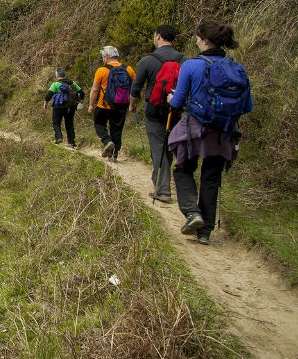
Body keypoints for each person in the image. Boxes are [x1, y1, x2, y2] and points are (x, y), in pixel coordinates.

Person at [167, 21, 253, 246]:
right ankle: (205, 232)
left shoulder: (191, 65)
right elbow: (247, 106)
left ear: (205, 40)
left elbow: (177, 102)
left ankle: (192, 212)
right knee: (211, 179)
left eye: (197, 37)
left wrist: (170, 98)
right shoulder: (237, 68)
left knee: (183, 169)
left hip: (194, 129)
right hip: (223, 132)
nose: (195, 40)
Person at [129, 25, 185, 203]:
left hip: (154, 109)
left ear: (158, 36)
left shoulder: (147, 60)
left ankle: (163, 190)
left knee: (158, 146)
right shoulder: (184, 60)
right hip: (175, 109)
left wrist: (132, 105)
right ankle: (184, 188)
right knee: (172, 145)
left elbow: (136, 88)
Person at [87, 46, 136, 161]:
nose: (103, 59)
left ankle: (107, 141)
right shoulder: (128, 69)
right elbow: (135, 87)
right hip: (121, 105)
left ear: (107, 57)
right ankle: (114, 155)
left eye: (103, 57)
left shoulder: (101, 70)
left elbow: (94, 90)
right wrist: (132, 103)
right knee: (117, 129)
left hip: (104, 105)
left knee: (99, 124)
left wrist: (91, 105)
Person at [43, 68, 83, 147]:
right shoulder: (72, 83)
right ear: (65, 75)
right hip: (71, 106)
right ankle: (71, 142)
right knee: (69, 123)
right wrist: (79, 101)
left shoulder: (56, 84)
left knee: (56, 122)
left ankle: (59, 137)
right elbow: (82, 93)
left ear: (57, 75)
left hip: (59, 106)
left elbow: (48, 95)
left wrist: (45, 102)